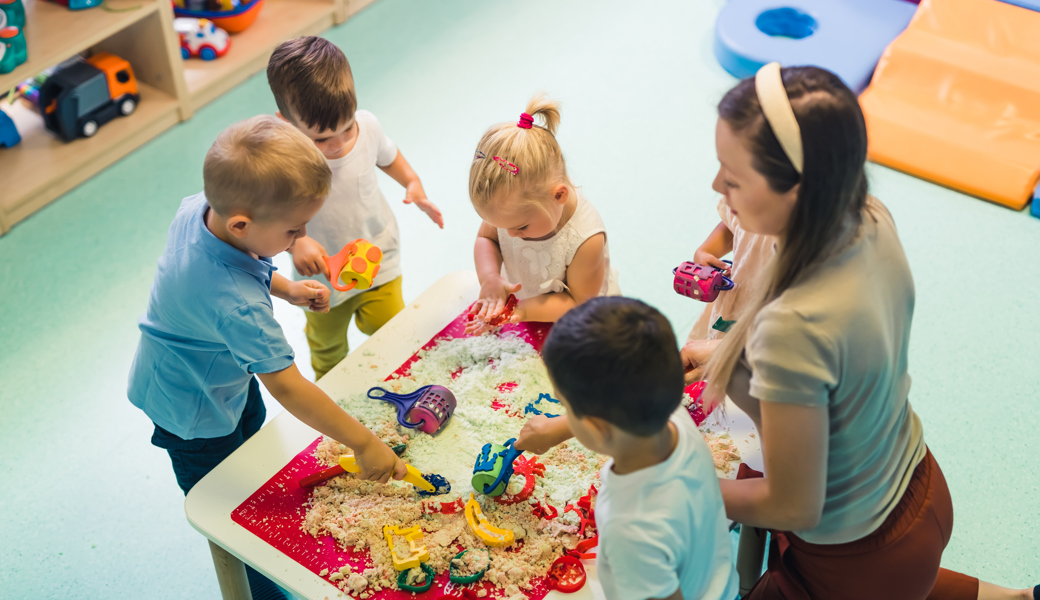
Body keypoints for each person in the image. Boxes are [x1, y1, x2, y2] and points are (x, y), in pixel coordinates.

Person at [683, 63, 1037, 600]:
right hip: (914, 483)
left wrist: (683, 483)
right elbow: (836, 352)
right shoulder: (867, 215)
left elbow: (792, 505)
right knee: (904, 583)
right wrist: (723, 352)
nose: (716, 186)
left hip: (853, 553)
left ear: (799, 191)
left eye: (732, 178)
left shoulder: (793, 323)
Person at [127, 116, 407, 600]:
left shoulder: (201, 211)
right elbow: (289, 384)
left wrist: (289, 288)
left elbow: (246, 261)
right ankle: (263, 590)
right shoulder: (236, 307)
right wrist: (363, 443)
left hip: (220, 374)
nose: (300, 238)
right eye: (294, 230)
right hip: (191, 413)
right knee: (233, 512)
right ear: (242, 222)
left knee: (253, 459)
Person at [532, 296, 738, 600]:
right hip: (717, 583)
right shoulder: (674, 419)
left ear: (596, 427)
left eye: (565, 406)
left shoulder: (629, 526)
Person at [267, 36, 443, 379]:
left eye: (346, 130)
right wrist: (296, 242)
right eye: (320, 139)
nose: (337, 145)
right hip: (321, 277)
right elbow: (273, 219)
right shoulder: (286, 162)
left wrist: (412, 182)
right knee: (327, 346)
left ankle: (406, 380)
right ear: (287, 124)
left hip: (379, 259)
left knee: (394, 331)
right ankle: (332, 391)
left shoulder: (368, 127)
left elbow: (387, 155)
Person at [465, 94, 620, 333]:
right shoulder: (512, 212)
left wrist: (520, 311)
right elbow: (487, 238)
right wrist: (490, 278)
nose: (510, 234)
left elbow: (579, 302)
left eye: (520, 227)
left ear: (558, 196)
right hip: (528, 304)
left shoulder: (586, 238)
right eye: (499, 225)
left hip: (581, 320)